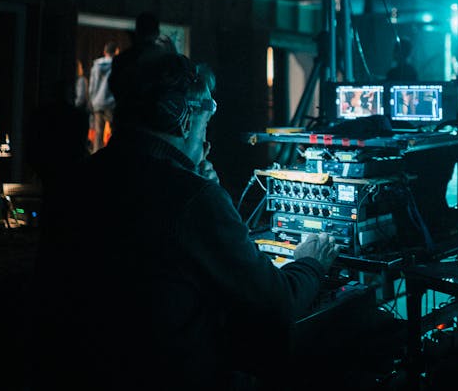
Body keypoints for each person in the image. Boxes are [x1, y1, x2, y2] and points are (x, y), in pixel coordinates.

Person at [31, 44, 340, 390]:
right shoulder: (193, 199)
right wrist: (310, 263)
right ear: (181, 116)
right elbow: (277, 304)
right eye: (205, 123)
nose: (206, 141)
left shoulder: (75, 181)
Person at [87, 41, 118, 153]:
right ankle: (112, 155)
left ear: (105, 52)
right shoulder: (117, 65)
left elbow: (92, 85)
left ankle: (96, 156)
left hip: (98, 102)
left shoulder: (96, 66)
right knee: (115, 132)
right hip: (111, 103)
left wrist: (92, 100)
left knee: (98, 132)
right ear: (116, 51)